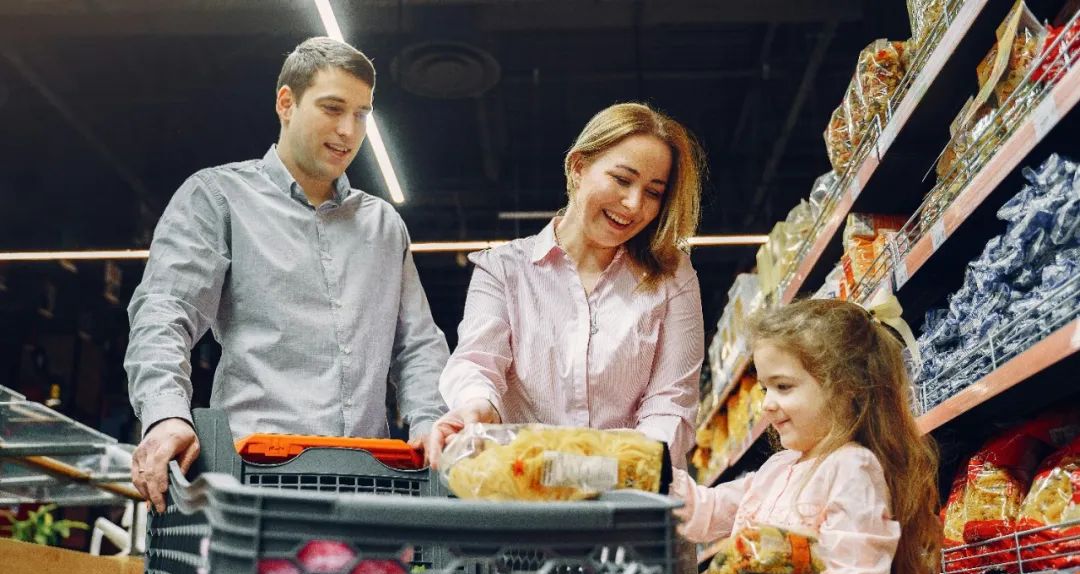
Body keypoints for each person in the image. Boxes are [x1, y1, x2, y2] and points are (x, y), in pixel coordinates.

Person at [125, 37, 449, 512]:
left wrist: (431, 423)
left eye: (361, 114)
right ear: (286, 103)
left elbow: (417, 344)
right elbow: (165, 312)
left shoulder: (383, 225)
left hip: (369, 488)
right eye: (333, 108)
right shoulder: (218, 198)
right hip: (254, 486)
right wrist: (166, 415)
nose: (348, 130)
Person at [677, 299, 941, 574]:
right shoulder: (778, 468)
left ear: (849, 388)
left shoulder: (852, 469)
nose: (765, 404)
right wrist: (636, 462)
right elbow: (702, 510)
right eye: (764, 388)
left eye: (783, 387)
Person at [426, 102, 706, 469]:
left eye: (653, 192)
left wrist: (609, 469)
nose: (634, 204)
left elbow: (672, 402)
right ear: (578, 167)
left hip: (629, 500)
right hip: (524, 491)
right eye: (622, 179)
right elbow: (478, 362)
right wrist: (476, 407)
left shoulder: (672, 276)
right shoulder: (503, 270)